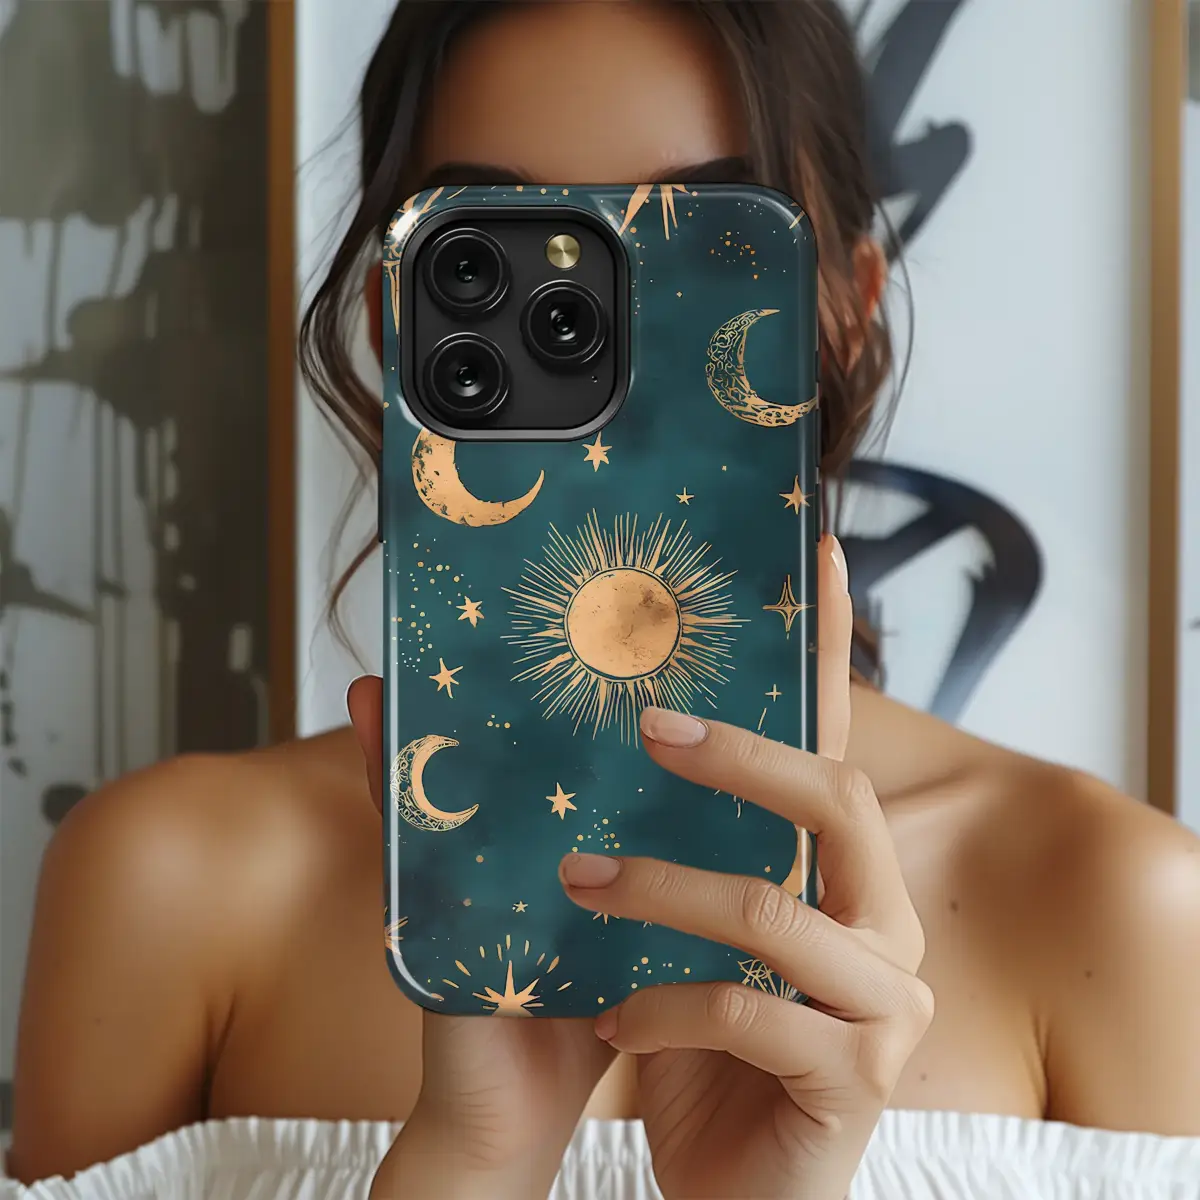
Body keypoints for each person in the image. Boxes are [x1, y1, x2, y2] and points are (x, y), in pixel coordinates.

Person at [7, 2, 1200, 1197]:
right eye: (492, 257)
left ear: (844, 313)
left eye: (704, 250)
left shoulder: (1116, 908)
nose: (606, 329)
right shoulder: (168, 887)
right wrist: (475, 1162)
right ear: (394, 319)